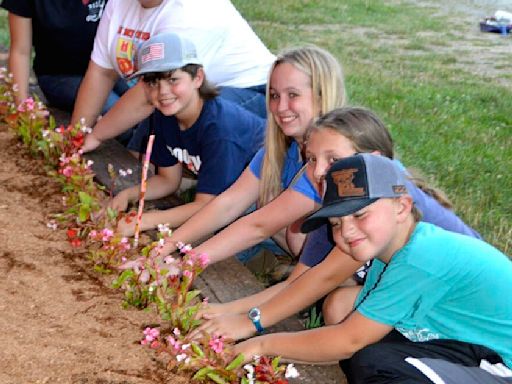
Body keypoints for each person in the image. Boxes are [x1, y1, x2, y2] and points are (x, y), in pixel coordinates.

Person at [191, 107, 481, 341]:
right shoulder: (340, 210)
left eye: (333, 160)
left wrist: (250, 322)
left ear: (371, 160)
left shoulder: (377, 203)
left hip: (467, 309)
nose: (317, 172)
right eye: (311, 159)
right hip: (423, 293)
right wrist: (222, 310)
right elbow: (300, 282)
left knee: (340, 309)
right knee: (338, 306)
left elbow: (322, 280)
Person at [234, 153, 512, 384]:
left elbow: (348, 341)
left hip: (502, 364)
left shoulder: (420, 257)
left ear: (402, 207)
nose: (347, 230)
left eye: (360, 214)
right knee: (364, 349)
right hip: (468, 345)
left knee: (372, 362)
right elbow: (348, 341)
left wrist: (260, 345)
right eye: (336, 224)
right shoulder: (390, 256)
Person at [147, 45, 346, 263]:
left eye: (293, 95)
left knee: (275, 218)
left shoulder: (329, 160)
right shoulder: (279, 148)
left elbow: (258, 227)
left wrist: (187, 263)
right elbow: (228, 203)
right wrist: (166, 247)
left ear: (321, 95)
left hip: (350, 271)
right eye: (274, 95)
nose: (280, 107)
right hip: (300, 248)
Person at [72, 0, 275, 152]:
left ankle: (205, 186)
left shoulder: (189, 10)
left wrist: (96, 136)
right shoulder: (119, 3)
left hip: (251, 93)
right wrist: (77, 134)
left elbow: (147, 97)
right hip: (182, 91)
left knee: (173, 108)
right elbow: (101, 72)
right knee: (141, 161)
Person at [111, 32, 265, 231]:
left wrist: (146, 220)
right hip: (224, 196)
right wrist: (128, 195)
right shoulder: (164, 115)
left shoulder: (220, 128)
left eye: (173, 79)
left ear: (198, 78)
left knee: (207, 245)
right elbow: (168, 180)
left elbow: (208, 206)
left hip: (265, 199)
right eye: (152, 83)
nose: (163, 91)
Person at [0, 0, 128, 112]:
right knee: (115, 110)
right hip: (61, 76)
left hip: (108, 68)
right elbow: (20, 51)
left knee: (140, 106)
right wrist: (22, 108)